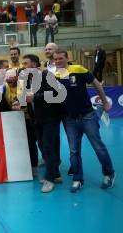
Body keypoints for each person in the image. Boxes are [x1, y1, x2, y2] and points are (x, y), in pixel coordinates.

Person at [54, 50, 115, 192]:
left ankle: (109, 173)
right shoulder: (54, 76)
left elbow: (96, 84)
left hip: (87, 116)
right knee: (74, 151)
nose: (57, 61)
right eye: (55, 59)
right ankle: (77, 179)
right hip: (69, 119)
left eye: (60, 59)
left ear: (67, 59)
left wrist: (105, 102)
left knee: (98, 147)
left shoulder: (78, 69)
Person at [24, 54, 62, 193]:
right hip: (38, 119)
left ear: (34, 64)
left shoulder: (47, 76)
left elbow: (57, 94)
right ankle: (55, 174)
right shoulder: (29, 79)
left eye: (26, 63)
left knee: (48, 147)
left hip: (50, 118)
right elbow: (30, 99)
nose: (24, 66)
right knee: (43, 146)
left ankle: (50, 179)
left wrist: (36, 97)